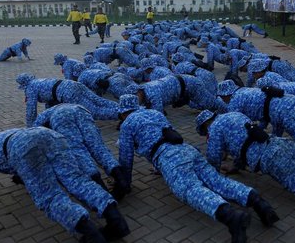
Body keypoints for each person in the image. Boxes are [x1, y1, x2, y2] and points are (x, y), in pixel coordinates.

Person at [117, 95, 279, 243]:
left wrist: (125, 184)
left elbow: (126, 157)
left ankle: (231, 218)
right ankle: (260, 204)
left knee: (190, 189)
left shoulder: (127, 124)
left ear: (123, 113)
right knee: (217, 181)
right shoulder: (154, 113)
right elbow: (167, 133)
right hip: (187, 149)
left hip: (168, 157)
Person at [0, 127, 130, 242]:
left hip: (23, 148)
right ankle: (117, 222)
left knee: (49, 195)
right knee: (78, 181)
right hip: (49, 135)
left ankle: (92, 235)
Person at [33, 104, 130, 200]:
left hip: (60, 117)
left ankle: (103, 193)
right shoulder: (47, 113)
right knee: (98, 147)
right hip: (81, 110)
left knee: (79, 152)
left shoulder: (36, 127)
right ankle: (121, 179)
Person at [16, 73, 120, 126]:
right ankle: (121, 107)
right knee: (98, 101)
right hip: (72, 84)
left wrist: (31, 128)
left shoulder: (30, 88)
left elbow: (31, 110)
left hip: (67, 93)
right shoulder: (38, 81)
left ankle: (124, 113)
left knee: (93, 111)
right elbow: (50, 103)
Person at [126, 74, 227, 114]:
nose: (135, 101)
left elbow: (157, 114)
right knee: (203, 105)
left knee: (209, 103)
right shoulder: (144, 90)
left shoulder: (152, 94)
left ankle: (229, 109)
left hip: (190, 84)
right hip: (183, 84)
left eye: (135, 98)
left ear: (139, 91)